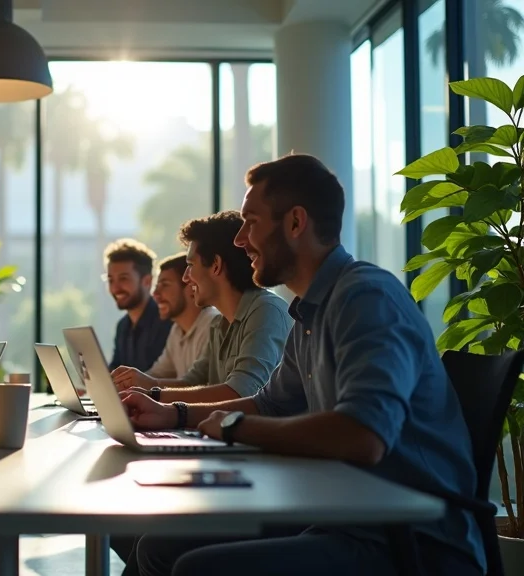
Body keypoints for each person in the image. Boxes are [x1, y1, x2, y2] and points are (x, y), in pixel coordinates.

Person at [121, 154, 483, 576]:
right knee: (160, 546)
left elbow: (362, 436)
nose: (240, 240)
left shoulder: (366, 298)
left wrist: (235, 427)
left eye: (251, 222)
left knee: (195, 567)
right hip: (342, 517)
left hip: (409, 542)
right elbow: (270, 404)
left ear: (295, 223)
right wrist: (175, 413)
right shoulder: (311, 311)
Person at [113, 212, 291, 405]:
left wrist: (153, 395)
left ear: (215, 265)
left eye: (190, 265)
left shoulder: (266, 311)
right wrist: (147, 384)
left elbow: (240, 392)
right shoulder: (219, 324)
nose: (185, 277)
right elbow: (192, 382)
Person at [109, 253, 219, 388]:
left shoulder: (212, 325)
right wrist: (127, 383)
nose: (155, 293)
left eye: (165, 285)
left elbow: (199, 385)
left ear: (191, 286)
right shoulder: (177, 330)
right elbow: (156, 374)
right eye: (157, 286)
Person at [104, 239, 173, 372]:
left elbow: (161, 377)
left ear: (147, 281)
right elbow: (114, 372)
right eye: (110, 280)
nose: (115, 288)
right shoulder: (122, 326)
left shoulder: (166, 322)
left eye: (124, 278)